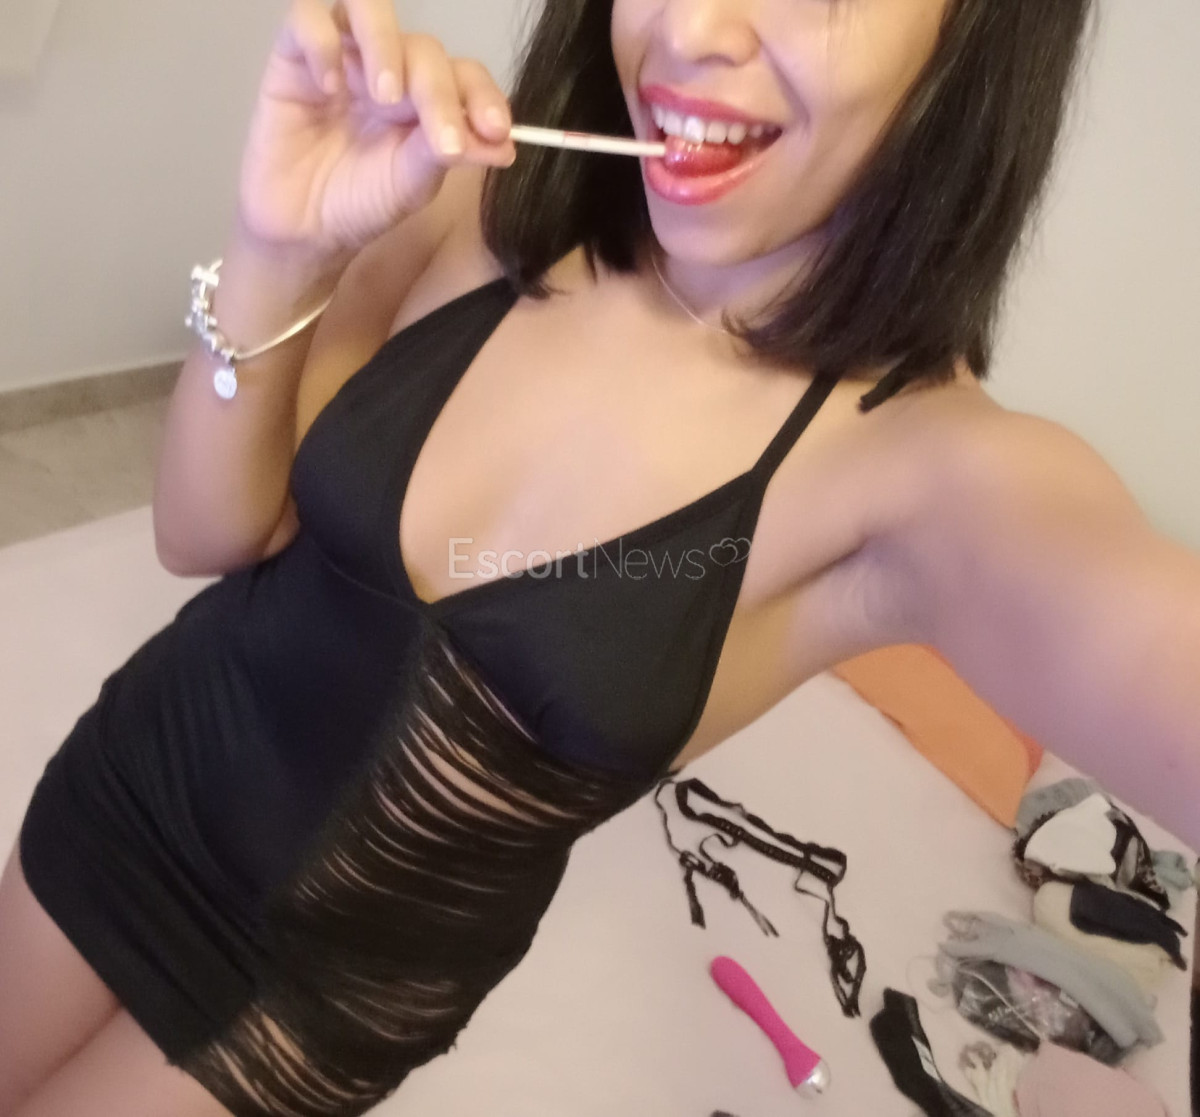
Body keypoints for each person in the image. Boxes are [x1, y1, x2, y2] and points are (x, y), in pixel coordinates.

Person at [1, 0, 1197, 1113]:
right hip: (136, 782)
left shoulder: (933, 475)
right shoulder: (479, 203)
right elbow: (206, 533)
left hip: (312, 998)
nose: (693, 27)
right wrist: (276, 249)